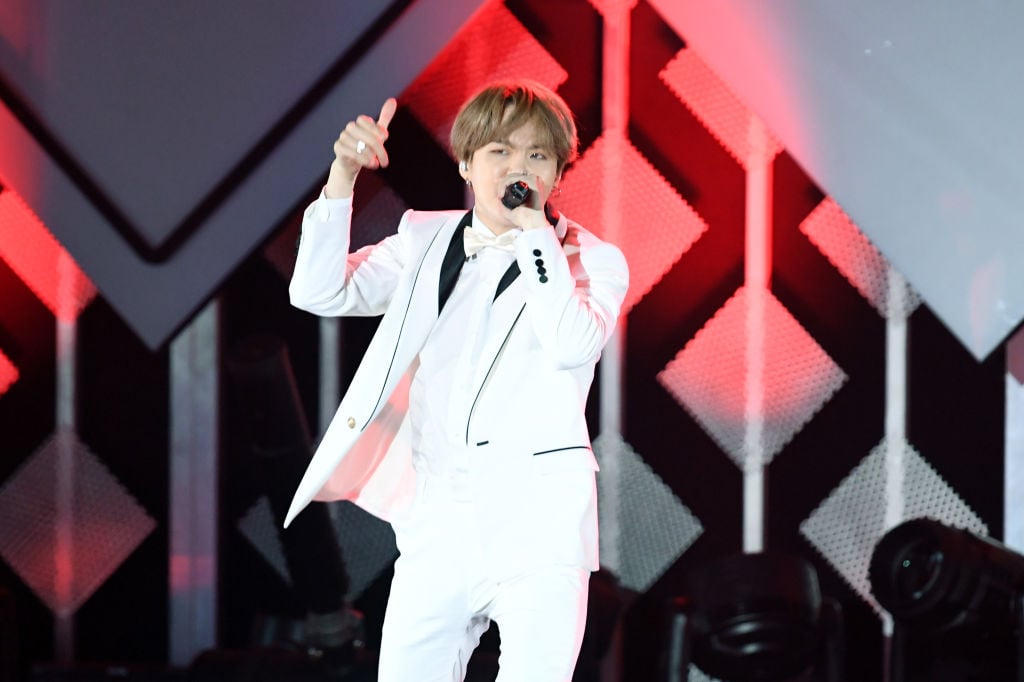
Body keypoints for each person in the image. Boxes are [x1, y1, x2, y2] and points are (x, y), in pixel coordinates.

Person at [283, 80, 629, 682]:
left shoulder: (592, 259)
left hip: (539, 527)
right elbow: (319, 291)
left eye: (537, 155)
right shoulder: (425, 239)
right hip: (438, 522)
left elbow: (572, 343)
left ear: (556, 174)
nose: (518, 167)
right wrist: (342, 177)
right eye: (500, 151)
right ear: (467, 163)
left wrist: (535, 236)